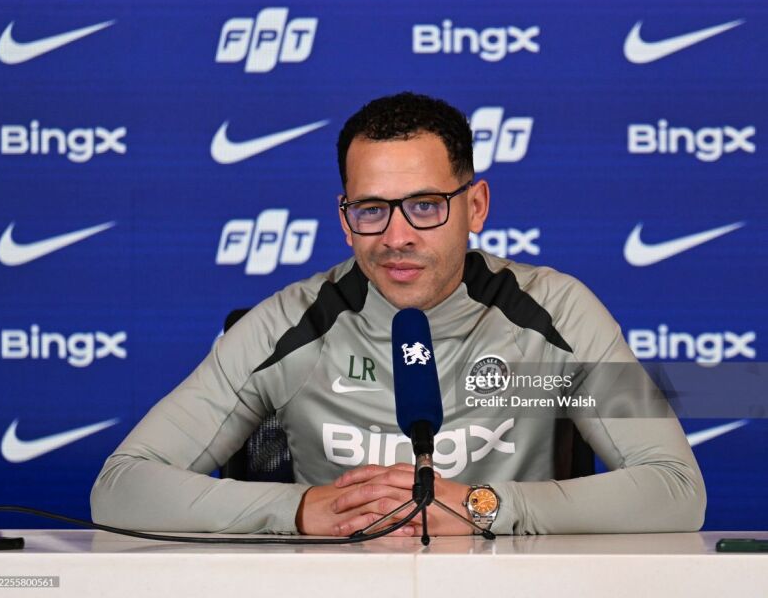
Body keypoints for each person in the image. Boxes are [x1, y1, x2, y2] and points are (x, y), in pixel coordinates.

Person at [91, 92, 705, 536]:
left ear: (476, 206)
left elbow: (676, 489)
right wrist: (297, 511)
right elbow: (121, 486)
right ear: (344, 219)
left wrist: (487, 508)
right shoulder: (290, 324)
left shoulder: (557, 311)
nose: (397, 236)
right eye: (371, 210)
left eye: (425, 206)